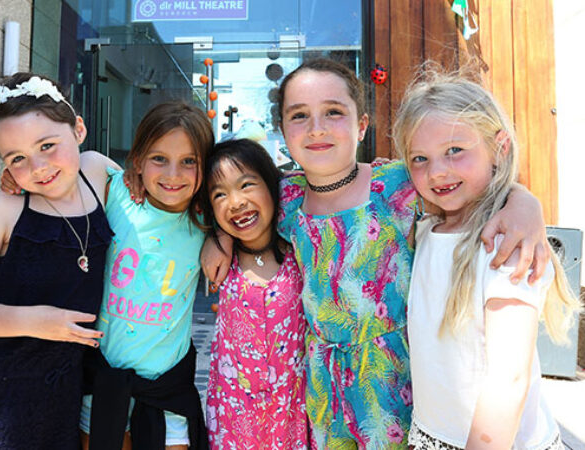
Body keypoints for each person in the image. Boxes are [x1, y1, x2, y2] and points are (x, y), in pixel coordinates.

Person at [201, 58, 550, 448]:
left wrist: (523, 202)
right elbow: (242, 207)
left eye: (333, 112)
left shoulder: (400, 184)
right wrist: (218, 235)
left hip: (398, 384)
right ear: (282, 132)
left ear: (362, 125)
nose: (317, 128)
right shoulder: (286, 199)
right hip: (323, 390)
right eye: (300, 116)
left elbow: (474, 188)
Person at [393, 73, 581, 450]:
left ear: (499, 147)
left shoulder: (506, 244)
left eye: (455, 151)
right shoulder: (426, 231)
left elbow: (507, 380)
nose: (437, 172)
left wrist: (522, 200)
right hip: (432, 434)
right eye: (420, 158)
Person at [0, 73, 116, 449]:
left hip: (68, 389)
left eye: (48, 145)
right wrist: (33, 320)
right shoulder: (1, 209)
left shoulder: (98, 172)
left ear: (79, 129)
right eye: (17, 158)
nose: (38, 166)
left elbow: (152, 209)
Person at [79, 101, 213, 450]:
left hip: (165, 391)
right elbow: (88, 160)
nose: (173, 174)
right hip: (103, 384)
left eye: (189, 162)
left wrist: (222, 236)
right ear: (138, 161)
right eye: (159, 159)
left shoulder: (207, 220)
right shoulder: (115, 194)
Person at [201, 139, 308, 449]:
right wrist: (218, 235)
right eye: (220, 194)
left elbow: (307, 182)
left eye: (247, 185)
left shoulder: (300, 248)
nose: (235, 202)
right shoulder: (219, 256)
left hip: (293, 416)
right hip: (233, 420)